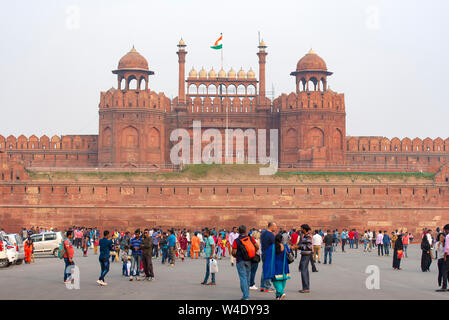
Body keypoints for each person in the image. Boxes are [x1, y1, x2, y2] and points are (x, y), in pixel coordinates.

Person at [232, 225, 259, 300]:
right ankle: (246, 294)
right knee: (247, 277)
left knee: (243, 278)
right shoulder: (250, 238)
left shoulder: (236, 240)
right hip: (249, 260)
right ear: (246, 231)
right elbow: (257, 246)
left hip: (240, 261)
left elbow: (233, 252)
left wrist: (236, 256)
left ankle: (246, 296)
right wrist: (253, 251)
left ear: (238, 231)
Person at [263, 233, 291, 300]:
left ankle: (281, 292)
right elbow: (289, 253)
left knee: (276, 281)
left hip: (275, 266)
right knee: (282, 280)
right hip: (284, 266)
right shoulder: (285, 246)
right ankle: (278, 296)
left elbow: (267, 255)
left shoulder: (272, 247)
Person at [260, 222, 277, 293]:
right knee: (268, 270)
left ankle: (262, 286)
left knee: (264, 269)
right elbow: (275, 245)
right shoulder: (271, 235)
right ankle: (267, 287)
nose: (276, 228)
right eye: (275, 226)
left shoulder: (263, 233)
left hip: (264, 253)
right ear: (271, 226)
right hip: (269, 254)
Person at [297, 224, 312, 293]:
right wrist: (298, 247)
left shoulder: (308, 237)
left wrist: (298, 247)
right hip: (305, 254)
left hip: (306, 255)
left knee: (304, 270)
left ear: (304, 229)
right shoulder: (305, 236)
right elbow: (304, 245)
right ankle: (305, 287)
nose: (301, 229)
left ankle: (306, 288)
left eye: (301, 228)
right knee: (304, 270)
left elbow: (308, 246)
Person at [436, 224, 449, 292]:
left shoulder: (447, 236)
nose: (445, 232)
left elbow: (447, 248)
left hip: (447, 256)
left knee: (444, 271)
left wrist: (445, 256)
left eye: (445, 230)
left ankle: (444, 286)